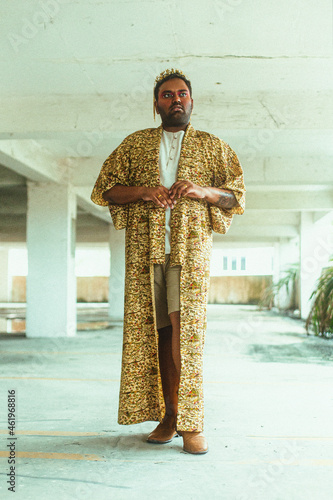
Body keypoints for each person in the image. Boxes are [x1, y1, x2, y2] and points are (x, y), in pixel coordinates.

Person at [91, 69, 245, 454]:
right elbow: (105, 189)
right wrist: (144, 191)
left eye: (182, 94)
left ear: (192, 101)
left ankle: (192, 424)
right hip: (146, 251)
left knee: (184, 334)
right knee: (158, 334)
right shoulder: (135, 145)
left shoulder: (213, 147)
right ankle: (170, 415)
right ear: (156, 103)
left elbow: (235, 198)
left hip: (189, 254)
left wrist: (201, 190)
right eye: (166, 95)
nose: (175, 100)